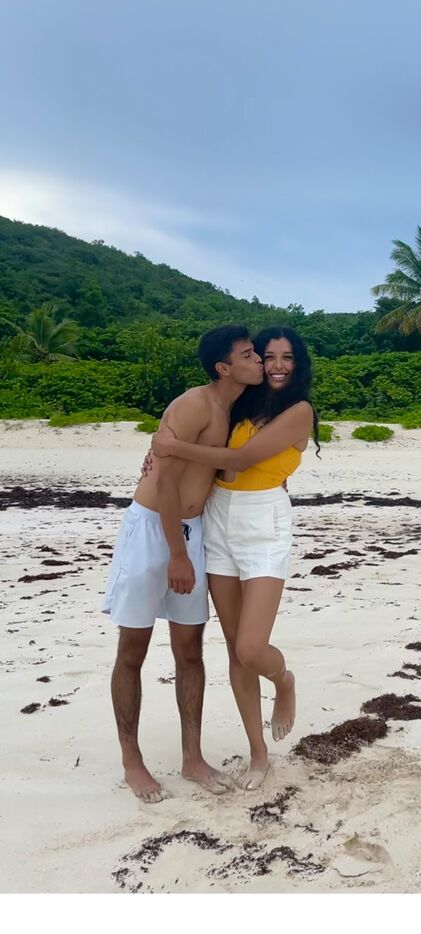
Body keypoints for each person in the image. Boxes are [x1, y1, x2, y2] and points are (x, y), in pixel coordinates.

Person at [102, 325, 264, 802]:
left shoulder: (234, 410)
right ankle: (133, 761)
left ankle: (191, 757)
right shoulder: (194, 404)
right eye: (249, 354)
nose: (258, 361)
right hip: (153, 530)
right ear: (223, 367)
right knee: (133, 649)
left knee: (190, 650)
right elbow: (167, 482)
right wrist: (175, 552)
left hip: (192, 533)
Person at [151, 326, 318, 789]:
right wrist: (160, 456)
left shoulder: (299, 411)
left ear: (299, 363)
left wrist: (168, 446)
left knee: (251, 647)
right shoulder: (242, 403)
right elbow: (209, 450)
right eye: (269, 357)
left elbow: (241, 459)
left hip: (264, 522)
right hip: (218, 517)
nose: (278, 366)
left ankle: (283, 680)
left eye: (288, 357)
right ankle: (258, 753)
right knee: (234, 652)